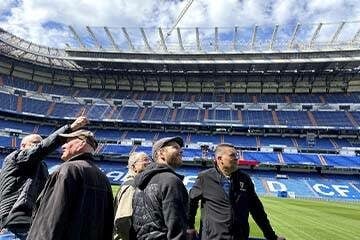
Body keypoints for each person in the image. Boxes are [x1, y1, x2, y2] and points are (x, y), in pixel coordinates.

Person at [0, 116, 88, 240]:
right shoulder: (15, 158)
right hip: (15, 226)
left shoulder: (41, 166)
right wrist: (70, 128)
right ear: (23, 146)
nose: (39, 146)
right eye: (35, 143)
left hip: (33, 225)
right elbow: (42, 148)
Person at [26, 130, 114, 240]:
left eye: (68, 141)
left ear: (82, 143)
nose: (63, 146)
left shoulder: (67, 170)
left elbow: (49, 221)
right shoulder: (103, 178)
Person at [187, 143, 286, 240]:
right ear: (219, 159)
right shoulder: (205, 177)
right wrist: (189, 226)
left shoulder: (244, 178)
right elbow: (191, 202)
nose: (236, 158)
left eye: (237, 155)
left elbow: (257, 210)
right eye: (232, 155)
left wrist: (271, 236)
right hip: (212, 237)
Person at [132, 136, 188, 240]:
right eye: (175, 147)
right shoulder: (171, 181)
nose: (181, 151)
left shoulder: (140, 182)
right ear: (161, 153)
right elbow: (176, 229)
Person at [113, 151, 150, 240]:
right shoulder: (131, 186)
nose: (149, 162)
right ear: (134, 167)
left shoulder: (136, 184)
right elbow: (123, 220)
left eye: (149, 160)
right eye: (145, 160)